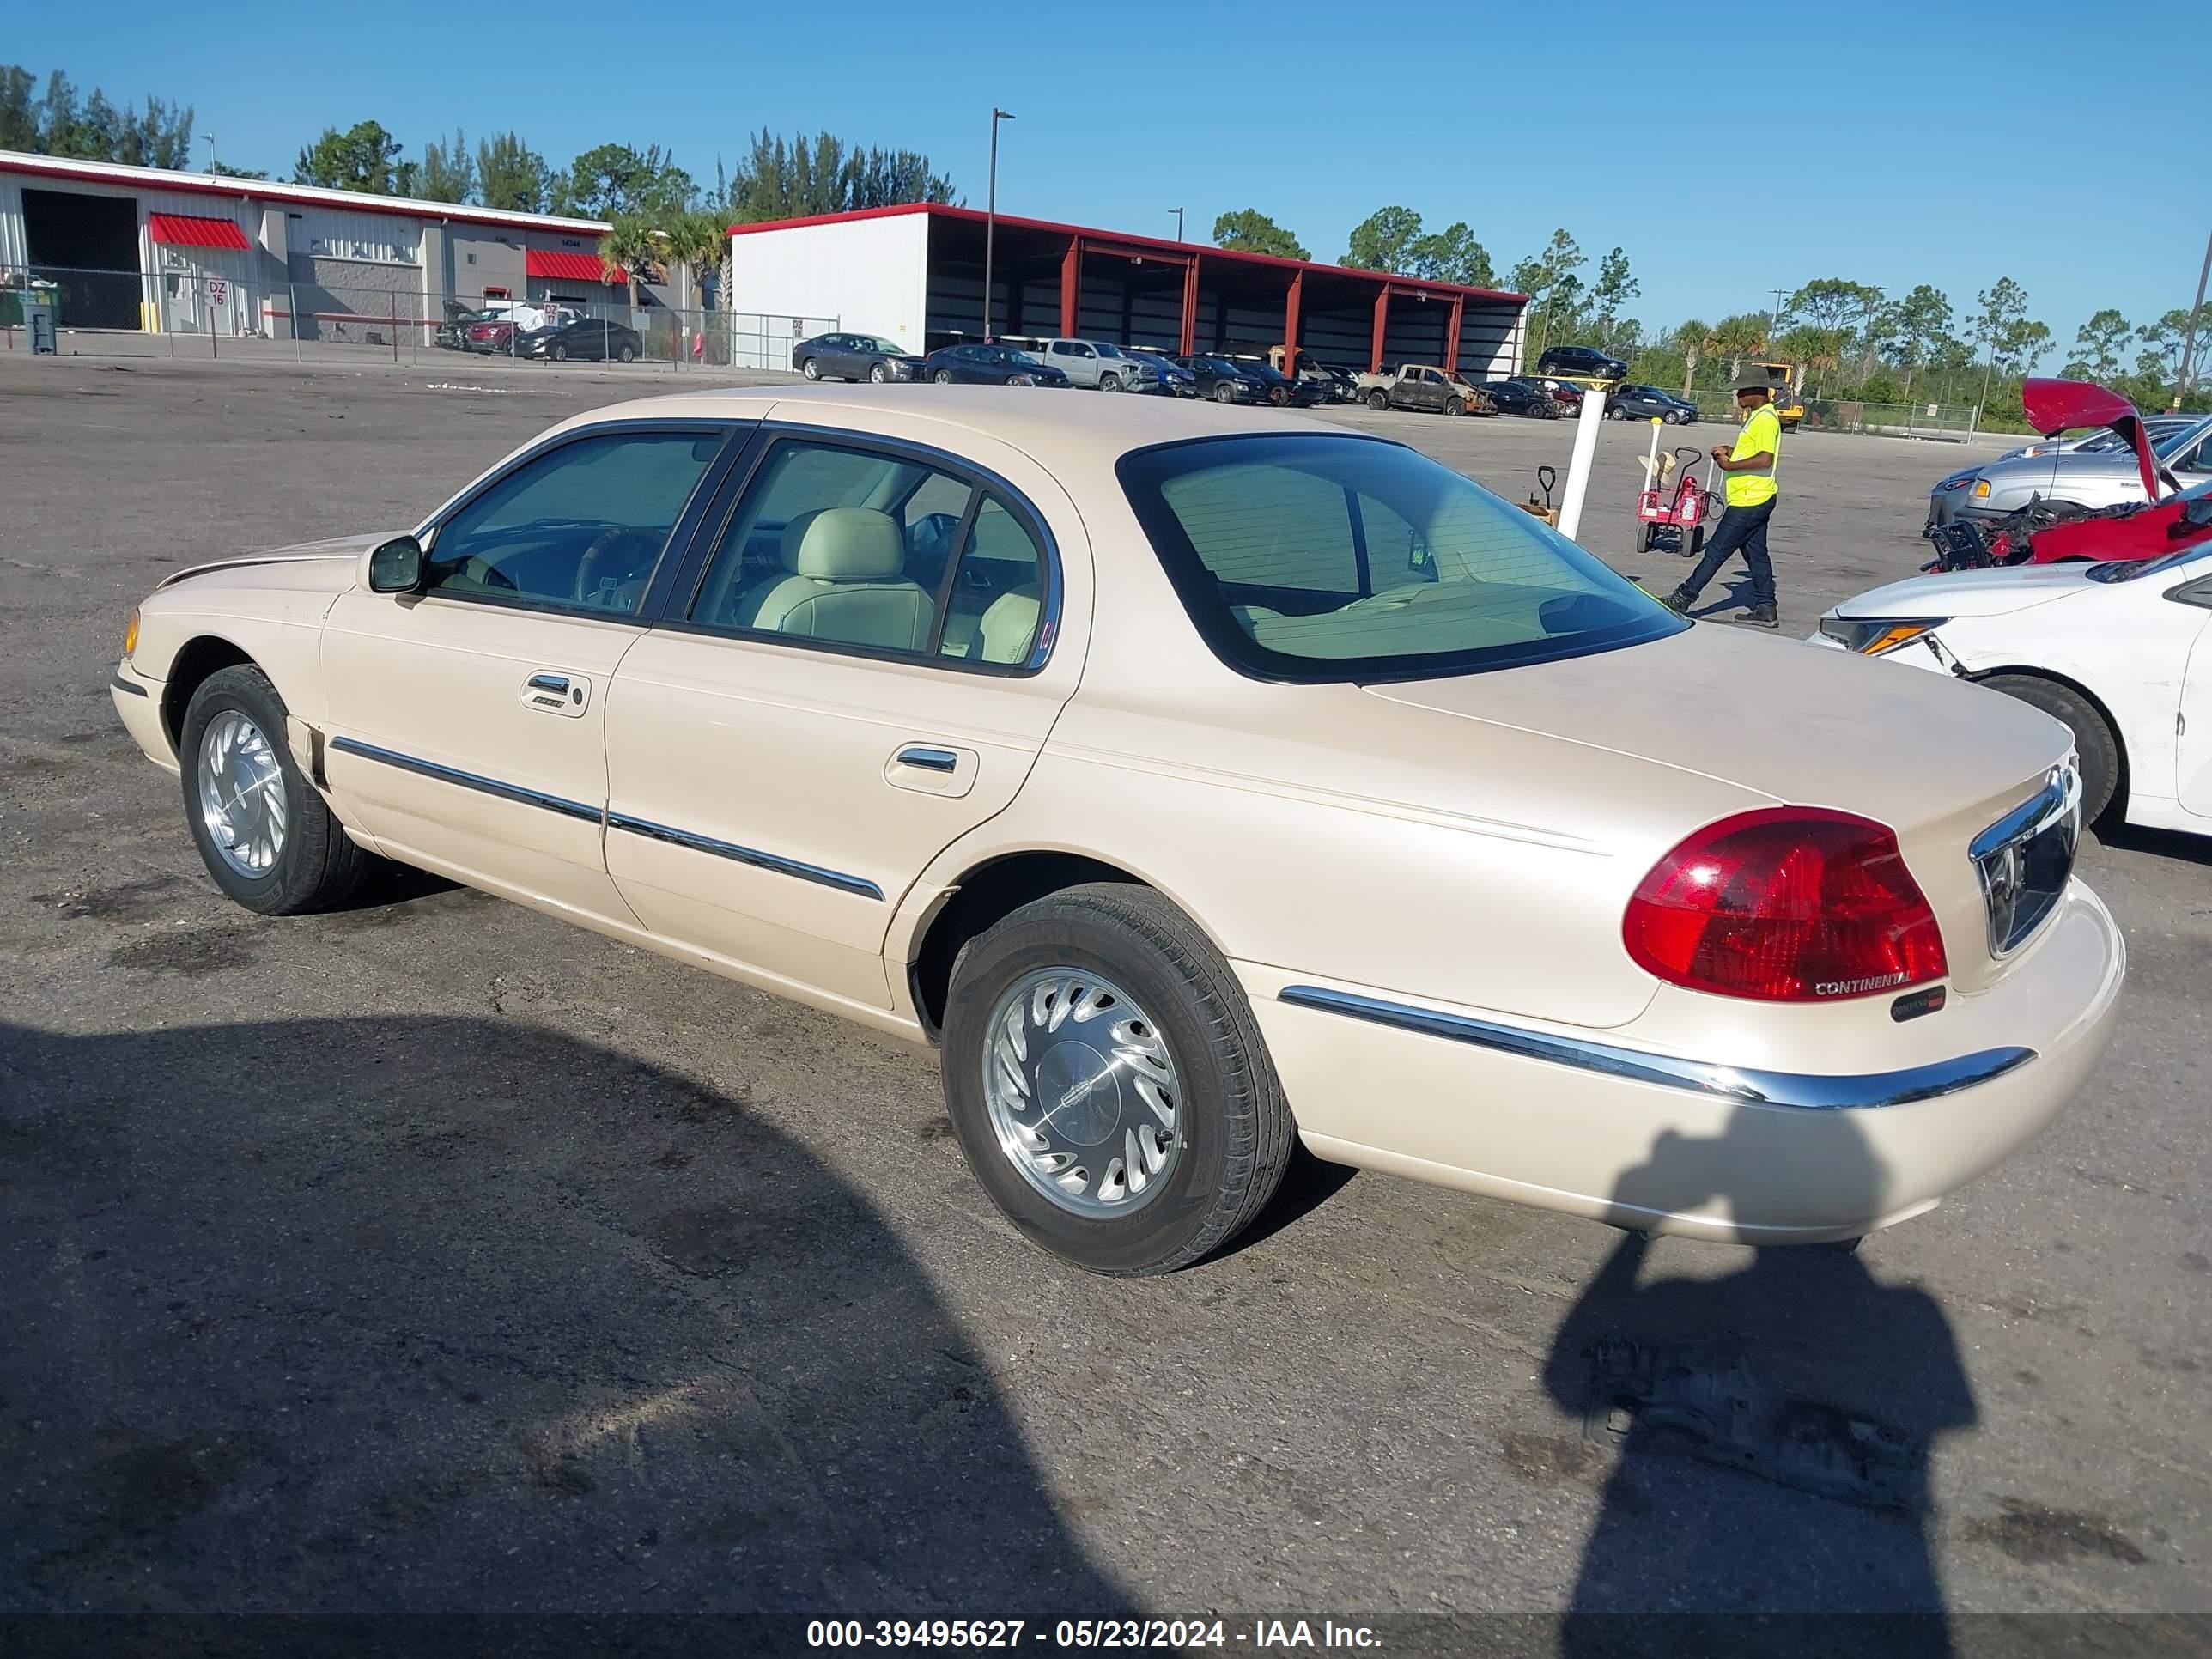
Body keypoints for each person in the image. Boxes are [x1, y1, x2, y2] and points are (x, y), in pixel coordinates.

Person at [1664, 374, 1786, 627]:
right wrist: (1733, 451)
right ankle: (1766, 607)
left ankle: (1683, 597)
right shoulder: (1758, 416)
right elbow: (1755, 452)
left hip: (1749, 501)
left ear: (1756, 391)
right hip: (1757, 496)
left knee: (1717, 551)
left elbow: (1765, 459)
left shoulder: (1764, 419)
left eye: (1741, 392)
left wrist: (1729, 465)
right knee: (1757, 554)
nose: (1738, 396)